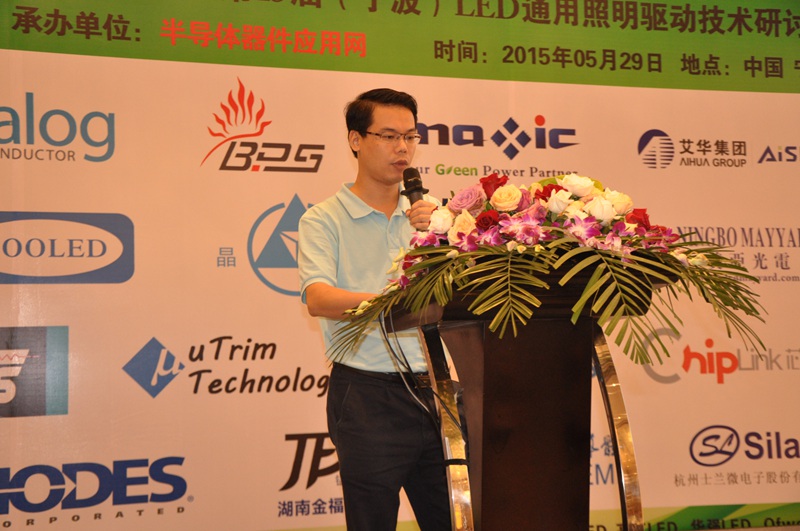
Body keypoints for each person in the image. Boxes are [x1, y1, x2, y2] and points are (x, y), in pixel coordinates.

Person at [297, 88, 451, 530]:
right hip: (367, 397)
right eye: (388, 136)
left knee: (454, 519)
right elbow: (318, 297)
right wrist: (392, 304)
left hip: (436, 389)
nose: (402, 148)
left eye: (410, 136)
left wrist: (441, 239)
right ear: (355, 140)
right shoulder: (323, 219)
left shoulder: (433, 217)